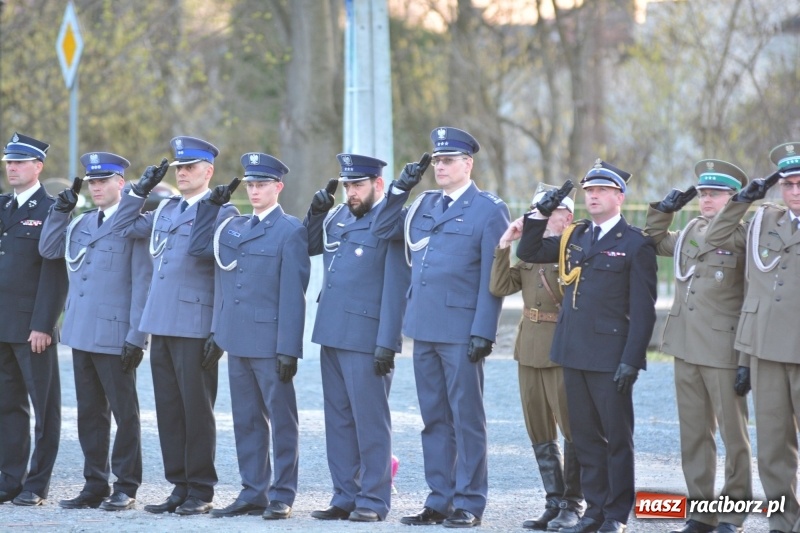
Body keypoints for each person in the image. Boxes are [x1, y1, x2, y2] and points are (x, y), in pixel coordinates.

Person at [372, 126, 510, 528]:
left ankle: (469, 502)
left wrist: (484, 330)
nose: (441, 167)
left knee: (466, 419)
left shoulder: (488, 209)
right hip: (425, 326)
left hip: (462, 329)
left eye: (448, 160)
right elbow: (383, 232)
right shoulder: (423, 204)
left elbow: (493, 274)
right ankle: (439, 498)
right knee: (434, 418)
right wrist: (400, 189)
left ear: (468, 163)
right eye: (436, 161)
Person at [516, 160, 657, 533]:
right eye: (589, 191)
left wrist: (632, 359)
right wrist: (540, 212)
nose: (593, 196)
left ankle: (615, 514)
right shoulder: (575, 236)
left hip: (610, 357)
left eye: (601, 191)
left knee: (616, 439)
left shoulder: (634, 243)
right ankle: (593, 511)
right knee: (586, 438)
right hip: (572, 351)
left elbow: (643, 310)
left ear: (619, 197)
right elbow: (528, 251)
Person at [110, 136, 239, 516]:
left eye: (190, 167)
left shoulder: (222, 212)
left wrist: (219, 329)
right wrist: (139, 190)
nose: (182, 173)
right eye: (179, 168)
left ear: (208, 172)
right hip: (161, 320)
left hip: (196, 324)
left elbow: (224, 277)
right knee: (168, 408)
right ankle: (179, 485)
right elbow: (123, 224)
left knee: (196, 409)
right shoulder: (166, 210)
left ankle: (201, 488)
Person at [187, 152, 309, 521]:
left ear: (278, 187)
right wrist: (210, 206)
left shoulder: (291, 230)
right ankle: (253, 490)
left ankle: (282, 493)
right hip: (237, 338)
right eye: (251, 184)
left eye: (262, 185)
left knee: (282, 420)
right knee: (246, 420)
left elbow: (294, 295)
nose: (255, 191)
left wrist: (289, 347)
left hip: (271, 342)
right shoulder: (235, 227)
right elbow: (197, 250)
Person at [39, 152, 152, 512]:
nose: (98, 187)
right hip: (82, 330)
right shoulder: (82, 222)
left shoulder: (134, 224)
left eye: (104, 181)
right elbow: (48, 248)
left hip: (116, 334)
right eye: (93, 182)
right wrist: (60, 212)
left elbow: (141, 283)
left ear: (122, 183)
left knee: (124, 412)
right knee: (89, 413)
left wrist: (137, 335)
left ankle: (127, 485)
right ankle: (94, 483)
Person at [645, 160, 752, 533]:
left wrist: (746, 355)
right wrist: (664, 210)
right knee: (693, 435)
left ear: (733, 198)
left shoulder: (744, 233)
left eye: (715, 194)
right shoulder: (691, 229)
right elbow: (654, 240)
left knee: (733, 436)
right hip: (686, 345)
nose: (706, 199)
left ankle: (733, 513)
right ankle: (701, 512)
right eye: (703, 193)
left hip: (723, 349)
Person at [304, 154, 410, 523]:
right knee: (337, 420)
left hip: (366, 336)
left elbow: (397, 286)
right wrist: (316, 214)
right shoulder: (339, 216)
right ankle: (344, 494)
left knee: (370, 421)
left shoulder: (390, 220)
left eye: (358, 185)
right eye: (348, 185)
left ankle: (374, 499)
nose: (351, 192)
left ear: (378, 185)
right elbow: (311, 246)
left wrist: (388, 340)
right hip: (332, 330)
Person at [705, 142, 800, 533]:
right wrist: (743, 201)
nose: (795, 191)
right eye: (789, 184)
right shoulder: (764, 221)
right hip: (764, 349)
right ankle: (784, 521)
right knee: (773, 446)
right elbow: (716, 239)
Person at [490, 186, 584, 531]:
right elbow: (500, 286)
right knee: (539, 429)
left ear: (568, 217)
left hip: (560, 348)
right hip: (528, 348)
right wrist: (504, 245)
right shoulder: (530, 252)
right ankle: (553, 500)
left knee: (572, 427)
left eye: (550, 210)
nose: (541, 215)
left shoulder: (573, 249)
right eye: (536, 210)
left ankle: (574, 502)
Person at [0, 132, 67, 507]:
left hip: (32, 328)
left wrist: (44, 323)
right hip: (2, 324)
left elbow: (54, 274)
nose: (11, 167)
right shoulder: (3, 206)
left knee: (45, 407)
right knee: (7, 404)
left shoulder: (51, 210)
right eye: (9, 162)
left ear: (38, 167)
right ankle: (10, 477)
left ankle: (37, 483)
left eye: (19, 162)